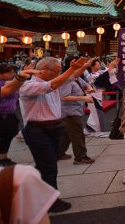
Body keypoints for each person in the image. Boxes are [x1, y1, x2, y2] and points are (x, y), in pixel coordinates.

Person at [19, 56, 88, 212]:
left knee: (46, 165)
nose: (58, 74)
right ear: (44, 70)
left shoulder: (51, 82)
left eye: (59, 71)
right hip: (37, 130)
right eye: (56, 71)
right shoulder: (28, 85)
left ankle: (32, 190)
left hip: (55, 127)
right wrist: (71, 69)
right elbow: (55, 84)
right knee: (49, 166)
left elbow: (68, 78)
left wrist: (78, 68)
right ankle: (50, 201)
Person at [57, 56, 96, 164]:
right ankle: (80, 157)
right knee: (77, 134)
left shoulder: (76, 77)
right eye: (79, 65)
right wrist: (83, 98)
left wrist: (90, 89)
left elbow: (85, 84)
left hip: (76, 109)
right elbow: (64, 97)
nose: (82, 68)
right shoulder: (65, 79)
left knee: (67, 134)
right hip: (69, 111)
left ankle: (58, 153)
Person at [86, 58, 119, 132]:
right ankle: (98, 130)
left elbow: (111, 72)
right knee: (97, 113)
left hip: (98, 95)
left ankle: (89, 129)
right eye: (97, 64)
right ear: (92, 66)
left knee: (94, 114)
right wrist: (110, 68)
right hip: (92, 96)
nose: (99, 65)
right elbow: (100, 79)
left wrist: (113, 66)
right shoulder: (89, 75)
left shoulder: (100, 72)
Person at [0, 64, 21, 166]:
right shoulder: (0, 84)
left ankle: (1, 154)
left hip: (10, 114)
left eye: (13, 72)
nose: (12, 75)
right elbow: (8, 90)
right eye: (9, 72)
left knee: (9, 134)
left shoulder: (12, 83)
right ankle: (2, 157)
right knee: (5, 135)